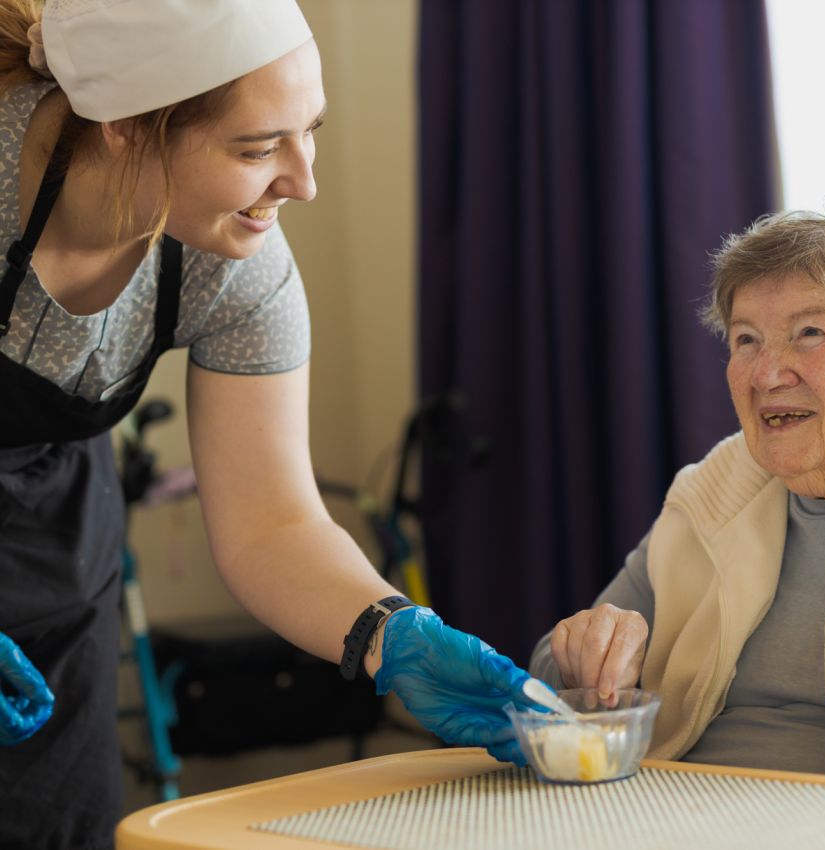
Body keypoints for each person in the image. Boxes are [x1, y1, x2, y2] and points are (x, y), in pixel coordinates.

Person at [0, 2, 538, 847]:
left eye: (308, 131)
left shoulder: (234, 267)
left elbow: (270, 523)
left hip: (52, 546)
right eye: (257, 149)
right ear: (125, 127)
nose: (303, 180)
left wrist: (391, 635)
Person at [531, 202, 825, 789]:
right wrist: (584, 655)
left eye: (810, 334)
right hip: (668, 808)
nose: (766, 373)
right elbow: (552, 671)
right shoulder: (716, 489)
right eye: (746, 339)